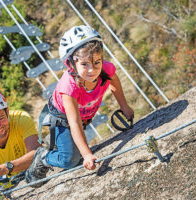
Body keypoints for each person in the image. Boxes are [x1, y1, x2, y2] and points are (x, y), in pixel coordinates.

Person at [25, 25, 134, 186]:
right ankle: (43, 157)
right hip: (62, 117)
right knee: (69, 160)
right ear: (71, 63)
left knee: (76, 158)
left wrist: (124, 105)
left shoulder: (105, 69)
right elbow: (73, 122)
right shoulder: (69, 87)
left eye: (97, 61)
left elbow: (114, 81)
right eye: (84, 64)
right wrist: (87, 154)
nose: (92, 70)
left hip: (83, 115)